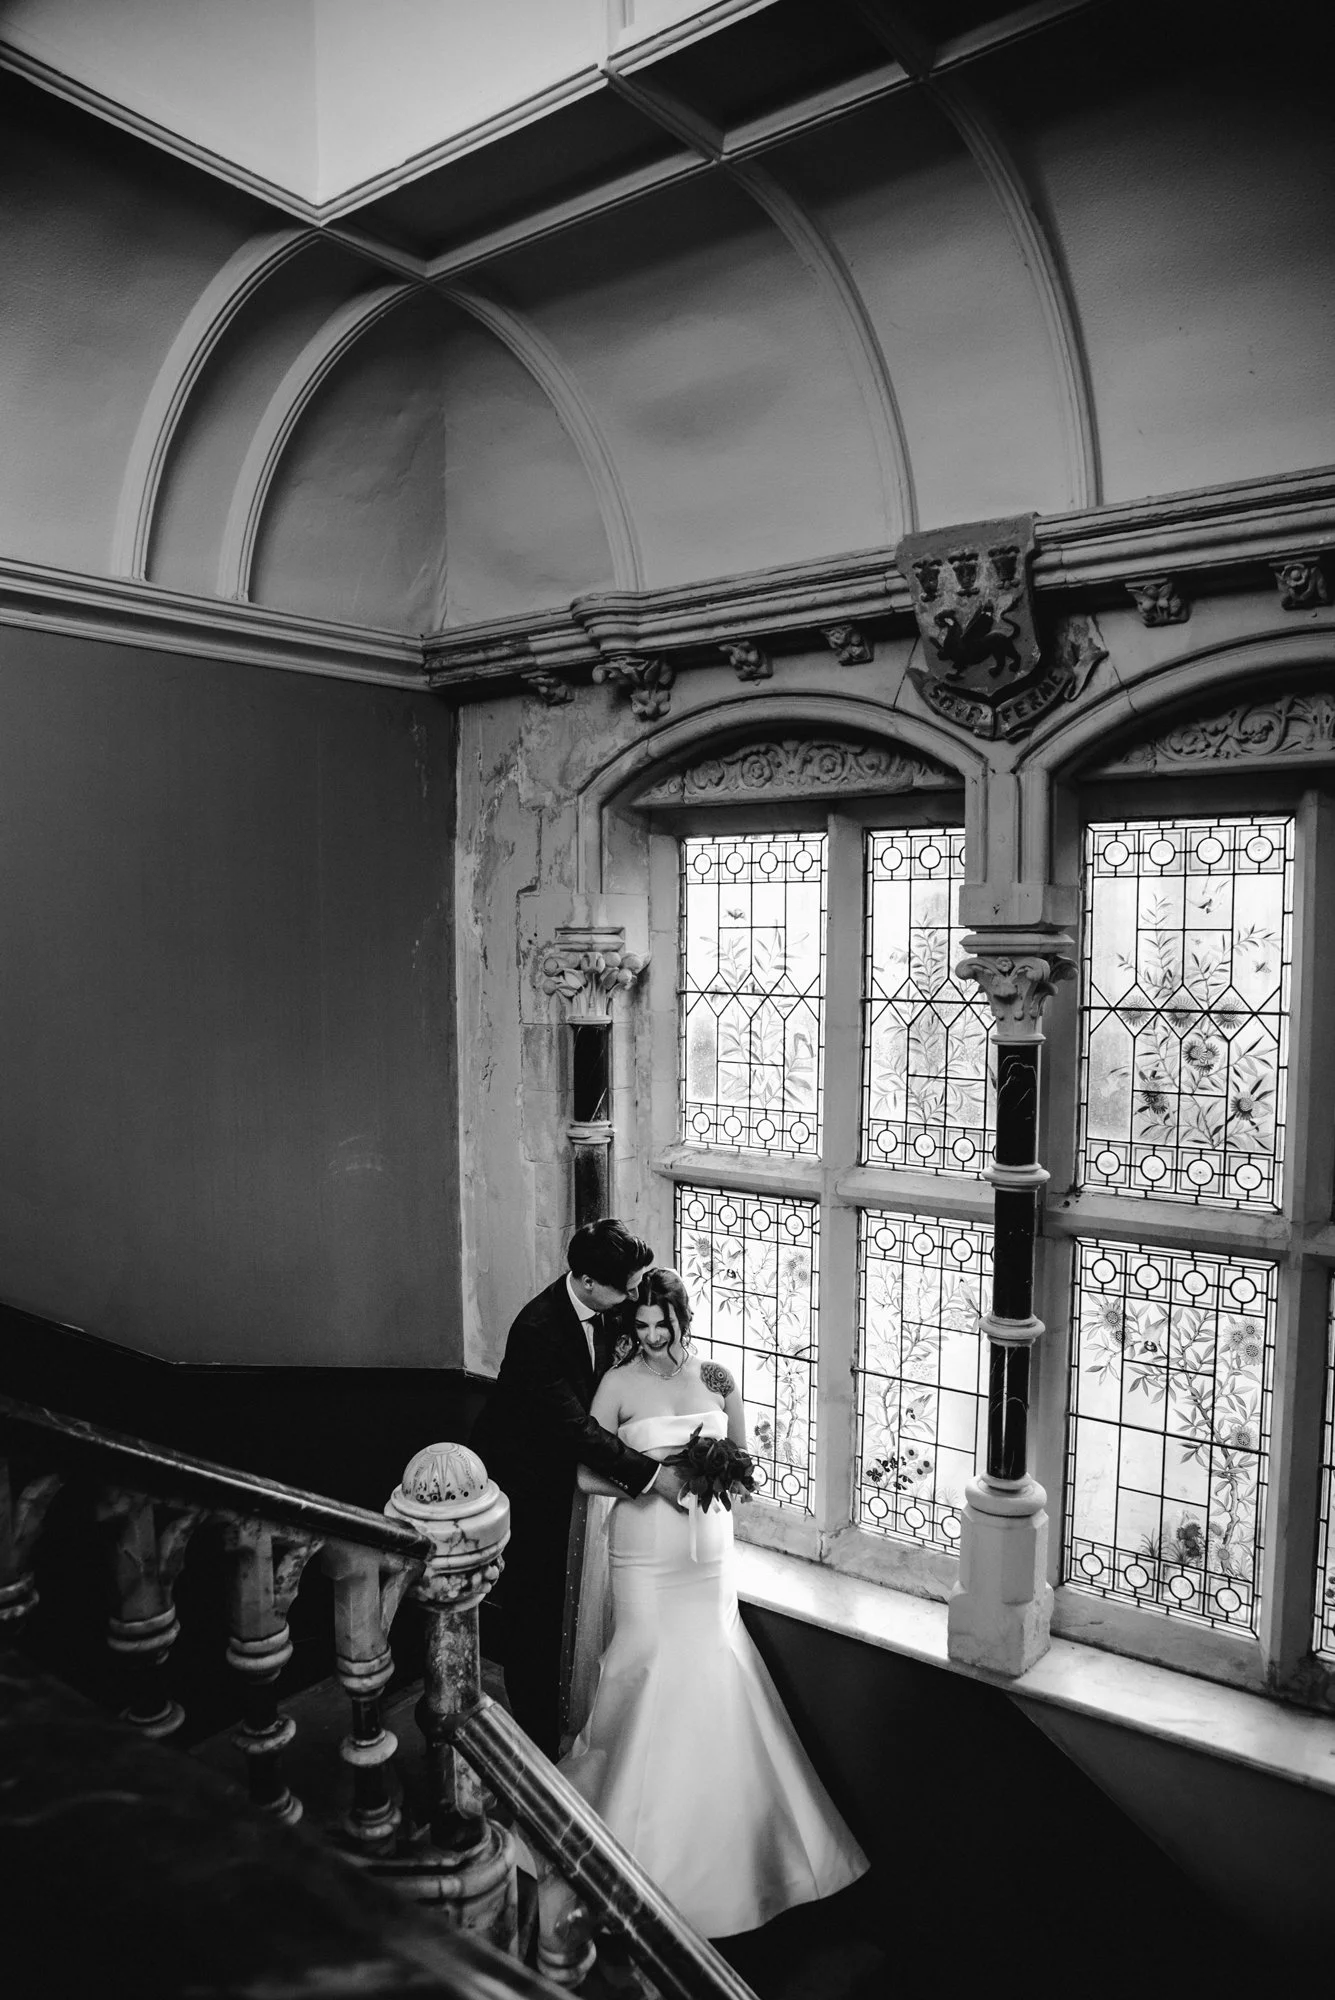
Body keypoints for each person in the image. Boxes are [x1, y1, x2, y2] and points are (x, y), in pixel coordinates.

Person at [560, 1267, 869, 1940]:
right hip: (644, 1549)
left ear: (680, 1319)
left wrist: (724, 1448)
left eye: (659, 1325)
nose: (648, 1338)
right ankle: (630, 1830)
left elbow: (739, 1456)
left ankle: (735, 1848)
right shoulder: (615, 1384)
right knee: (645, 1661)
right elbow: (585, 1473)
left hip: (708, 1551)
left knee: (713, 1667)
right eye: (637, 1327)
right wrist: (652, 1483)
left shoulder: (713, 1377)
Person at [469, 1220, 684, 1760]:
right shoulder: (537, 1330)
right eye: (626, 1288)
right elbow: (575, 1430)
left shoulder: (614, 1305)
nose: (636, 1296)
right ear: (586, 1281)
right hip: (530, 1488)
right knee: (536, 1617)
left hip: (587, 1484)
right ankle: (539, 1749)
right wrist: (656, 1477)